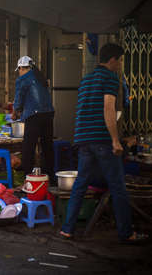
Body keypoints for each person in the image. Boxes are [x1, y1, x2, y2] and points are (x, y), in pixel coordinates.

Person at [59, 43, 147, 244]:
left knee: (81, 184)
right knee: (117, 186)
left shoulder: (86, 79)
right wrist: (116, 140)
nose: (120, 64)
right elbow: (109, 108)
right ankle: (127, 233)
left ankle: (67, 229)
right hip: (100, 139)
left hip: (82, 138)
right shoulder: (110, 77)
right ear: (113, 59)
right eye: (121, 60)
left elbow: (83, 108)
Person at [12, 56, 55, 180]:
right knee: (47, 147)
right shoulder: (40, 77)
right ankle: (50, 179)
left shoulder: (23, 79)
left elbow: (18, 100)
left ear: (21, 68)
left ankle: (28, 179)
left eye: (19, 69)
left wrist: (15, 113)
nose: (19, 72)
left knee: (28, 149)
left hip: (34, 116)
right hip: (48, 114)